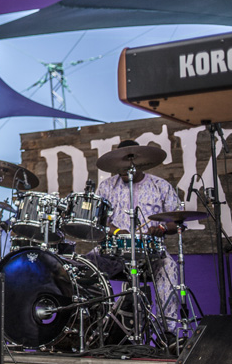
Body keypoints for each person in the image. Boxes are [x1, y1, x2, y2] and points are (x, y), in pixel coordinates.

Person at [92, 139, 180, 336]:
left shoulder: (160, 186)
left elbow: (177, 221)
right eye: (119, 164)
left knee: (169, 269)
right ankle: (91, 330)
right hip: (113, 252)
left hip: (150, 253)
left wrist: (162, 228)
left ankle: (169, 334)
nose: (123, 168)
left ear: (139, 163)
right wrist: (116, 231)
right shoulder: (106, 187)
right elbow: (98, 222)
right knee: (83, 268)